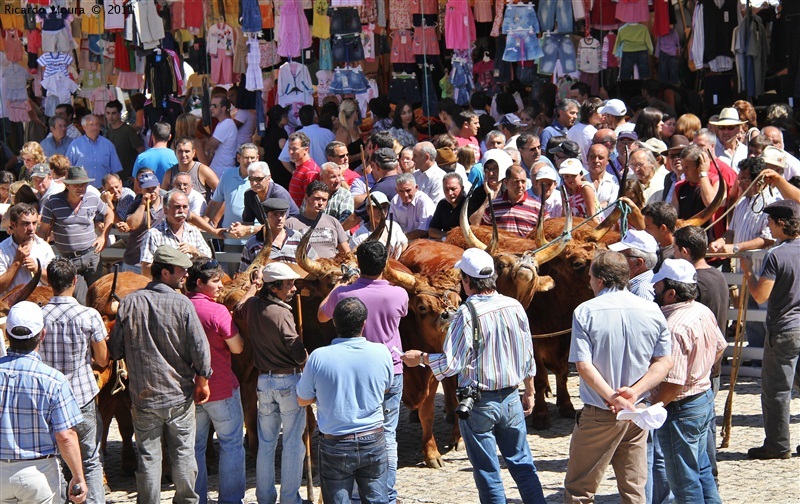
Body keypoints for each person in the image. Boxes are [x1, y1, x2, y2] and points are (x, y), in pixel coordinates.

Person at [401, 248, 546, 503]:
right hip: (512, 397)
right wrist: (530, 391)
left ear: (466, 282)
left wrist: (421, 358)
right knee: (523, 464)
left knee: (488, 471)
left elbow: (451, 365)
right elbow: (527, 354)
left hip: (479, 401)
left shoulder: (466, 314)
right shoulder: (514, 306)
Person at [563, 250, 673, 502]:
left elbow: (584, 365)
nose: (589, 282)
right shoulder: (653, 310)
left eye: (590, 277)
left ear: (599, 280)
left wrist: (614, 397)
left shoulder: (585, 311)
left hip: (601, 412)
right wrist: (632, 394)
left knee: (579, 490)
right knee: (634, 490)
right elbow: (664, 362)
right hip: (637, 411)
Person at [109, 245, 212, 503]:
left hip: (143, 397)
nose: (185, 275)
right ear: (165, 273)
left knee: (147, 457)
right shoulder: (183, 304)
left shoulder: (130, 302)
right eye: (181, 271)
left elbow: (116, 350)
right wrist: (203, 381)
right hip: (179, 395)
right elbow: (201, 350)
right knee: (184, 454)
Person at [318, 241, 409, 503]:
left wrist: (339, 286)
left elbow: (322, 316)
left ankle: (355, 494)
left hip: (351, 371)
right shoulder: (399, 294)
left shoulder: (343, 295)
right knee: (387, 434)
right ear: (386, 264)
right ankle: (386, 493)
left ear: (358, 263)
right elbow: (400, 314)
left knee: (352, 428)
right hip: (390, 369)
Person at [298, 297, 393, 503]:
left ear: (334, 322)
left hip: (335, 442)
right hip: (373, 437)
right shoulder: (382, 352)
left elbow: (302, 399)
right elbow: (385, 387)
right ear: (364, 323)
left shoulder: (318, 357)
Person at [650, 258, 726, 504]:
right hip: (702, 399)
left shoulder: (673, 327)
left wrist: (652, 408)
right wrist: (700, 372)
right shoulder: (702, 311)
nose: (653, 289)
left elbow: (673, 383)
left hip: (681, 408)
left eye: (658, 286)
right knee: (702, 471)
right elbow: (719, 347)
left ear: (671, 293)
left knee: (684, 483)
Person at [234, 262, 309, 504]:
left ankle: (265, 498)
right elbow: (294, 346)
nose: (294, 289)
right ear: (274, 288)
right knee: (293, 443)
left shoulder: (253, 305)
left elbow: (238, 307)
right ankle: (290, 499)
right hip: (287, 380)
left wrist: (254, 288)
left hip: (264, 383)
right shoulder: (282, 313)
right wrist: (308, 366)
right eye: (289, 285)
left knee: (266, 443)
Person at [0, 301, 88, 503]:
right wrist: (78, 476)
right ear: (42, 335)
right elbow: (65, 436)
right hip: (37, 472)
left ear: (7, 335)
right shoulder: (54, 380)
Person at [39, 258, 109, 502]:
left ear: (49, 282)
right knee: (90, 460)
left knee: (55, 459)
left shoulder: (39, 316)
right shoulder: (88, 315)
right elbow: (102, 359)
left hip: (49, 400)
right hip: (82, 396)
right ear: (75, 281)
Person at [742, 200, 800, 459]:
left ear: (781, 223)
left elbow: (761, 295)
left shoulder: (776, 255)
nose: (767, 225)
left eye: (770, 221)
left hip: (785, 328)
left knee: (776, 389)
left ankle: (777, 444)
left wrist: (748, 274)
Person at [186, 258, 246, 504]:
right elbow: (238, 348)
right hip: (221, 387)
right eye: (215, 281)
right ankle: (230, 500)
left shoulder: (182, 306)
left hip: (189, 392)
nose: (221, 285)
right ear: (200, 283)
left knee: (194, 448)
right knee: (231, 444)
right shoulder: (217, 311)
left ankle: (198, 498)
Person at [38, 166, 113, 302]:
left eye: (84, 184)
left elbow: (109, 213)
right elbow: (43, 231)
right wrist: (41, 253)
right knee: (79, 300)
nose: (81, 188)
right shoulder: (52, 202)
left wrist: (103, 237)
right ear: (66, 185)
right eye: (76, 185)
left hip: (92, 255)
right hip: (68, 260)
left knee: (98, 297)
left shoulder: (92, 198)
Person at [141, 190, 212, 277]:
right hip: (166, 287)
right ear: (166, 210)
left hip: (191, 286)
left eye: (185, 207)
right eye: (177, 207)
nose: (181, 211)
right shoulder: (154, 234)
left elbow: (208, 261)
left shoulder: (194, 232)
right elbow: (146, 268)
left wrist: (195, 252)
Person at [227, 161, 299, 241]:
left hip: (292, 236)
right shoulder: (249, 194)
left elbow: (277, 224)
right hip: (271, 236)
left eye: (258, 179)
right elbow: (248, 222)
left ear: (268, 178)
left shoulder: (279, 194)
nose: (254, 183)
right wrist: (238, 227)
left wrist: (248, 229)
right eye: (251, 179)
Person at [238, 198, 318, 271]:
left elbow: (315, 261)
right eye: (275, 214)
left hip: (294, 285)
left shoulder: (297, 237)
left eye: (282, 214)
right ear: (265, 217)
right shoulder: (253, 243)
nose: (279, 218)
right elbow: (243, 273)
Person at [206, 143, 260, 249]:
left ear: (257, 158)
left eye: (252, 158)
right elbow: (215, 203)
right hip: (231, 238)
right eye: (246, 157)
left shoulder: (263, 178)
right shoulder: (227, 175)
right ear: (238, 158)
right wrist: (205, 223)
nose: (249, 161)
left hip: (255, 240)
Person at [0, 203, 54, 296]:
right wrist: (17, 262)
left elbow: (55, 282)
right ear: (13, 224)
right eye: (26, 223)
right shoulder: (3, 249)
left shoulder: (44, 247)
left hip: (38, 304)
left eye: (34, 223)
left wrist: (38, 270)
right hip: (10, 306)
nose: (31, 228)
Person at [286, 181, 350, 258]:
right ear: (306, 198)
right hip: (303, 268)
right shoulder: (291, 224)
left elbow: (346, 253)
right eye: (317, 199)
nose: (320, 203)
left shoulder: (333, 222)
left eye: (324, 200)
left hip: (330, 267)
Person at [119, 170, 166, 274]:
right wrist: (143, 204)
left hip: (157, 262)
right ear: (141, 189)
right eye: (147, 189)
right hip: (135, 261)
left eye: (154, 188)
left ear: (159, 186)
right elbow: (132, 225)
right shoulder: (135, 205)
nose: (151, 192)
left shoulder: (167, 203)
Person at [481, 164, 541, 237]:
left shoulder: (538, 208)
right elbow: (484, 232)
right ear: (506, 182)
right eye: (516, 182)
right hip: (501, 248)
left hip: (528, 248)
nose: (520, 185)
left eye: (523, 181)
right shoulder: (492, 207)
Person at [66, 115, 123, 188]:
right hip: (82, 190)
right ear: (84, 127)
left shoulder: (108, 145)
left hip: (103, 190)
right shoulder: (75, 145)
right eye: (91, 124)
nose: (95, 128)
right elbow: (68, 169)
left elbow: (115, 170)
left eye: (97, 124)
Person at [348, 192, 408, 258]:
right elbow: (354, 258)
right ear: (368, 209)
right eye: (377, 207)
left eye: (384, 207)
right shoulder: (359, 236)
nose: (381, 211)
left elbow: (404, 244)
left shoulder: (394, 226)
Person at [278, 105, 336, 170]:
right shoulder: (328, 133)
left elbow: (283, 159)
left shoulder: (295, 136)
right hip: (325, 174)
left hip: (304, 177)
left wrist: (294, 173)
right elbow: (337, 155)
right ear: (316, 118)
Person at [608, 229, 659, 301]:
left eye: (621, 256)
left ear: (638, 264)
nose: (616, 259)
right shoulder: (633, 286)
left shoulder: (642, 293)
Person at [104, 100, 144, 182]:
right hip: (115, 177)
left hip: (128, 178)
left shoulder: (128, 130)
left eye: (113, 113)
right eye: (108, 113)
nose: (110, 116)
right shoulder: (109, 131)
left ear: (119, 114)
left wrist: (136, 174)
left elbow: (142, 152)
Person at [390, 172, 436, 239]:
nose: (405, 195)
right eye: (401, 191)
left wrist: (403, 238)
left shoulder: (424, 202)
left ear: (416, 187)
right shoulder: (395, 201)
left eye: (408, 190)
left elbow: (424, 231)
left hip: (421, 242)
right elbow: (392, 227)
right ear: (396, 191)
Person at [286, 131, 323, 207]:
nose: (290, 152)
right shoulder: (300, 167)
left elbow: (311, 201)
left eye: (294, 149)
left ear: (306, 150)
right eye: (289, 148)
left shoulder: (310, 172)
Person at [560, 158, 602, 223]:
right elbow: (564, 214)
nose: (570, 179)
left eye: (573, 176)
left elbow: (592, 216)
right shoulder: (564, 191)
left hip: (590, 227)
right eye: (566, 176)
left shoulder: (586, 188)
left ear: (581, 175)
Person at [205, 95, 238, 177]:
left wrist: (202, 142)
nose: (211, 108)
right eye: (210, 105)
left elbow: (209, 146)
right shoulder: (222, 123)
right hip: (220, 169)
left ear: (223, 108)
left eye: (214, 106)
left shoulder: (226, 124)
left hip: (222, 171)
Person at [641, 201, 678, 271]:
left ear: (663, 228)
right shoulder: (653, 248)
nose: (645, 230)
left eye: (648, 227)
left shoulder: (678, 255)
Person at [429, 173, 466, 240]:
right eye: (446, 189)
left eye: (453, 189)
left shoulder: (469, 205)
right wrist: (447, 235)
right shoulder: (442, 204)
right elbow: (432, 230)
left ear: (462, 188)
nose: (449, 193)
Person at [568, 98, 603, 166]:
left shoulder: (572, 129)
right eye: (600, 112)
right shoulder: (595, 133)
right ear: (591, 113)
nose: (603, 115)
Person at [711, 107, 748, 172]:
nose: (725, 131)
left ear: (738, 129)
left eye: (730, 127)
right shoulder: (711, 150)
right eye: (722, 127)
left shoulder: (745, 151)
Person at [586, 144, 619, 216]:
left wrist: (591, 207)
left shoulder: (614, 181)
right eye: (592, 157)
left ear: (608, 161)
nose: (596, 160)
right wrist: (602, 205)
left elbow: (612, 207)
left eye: (600, 158)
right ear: (587, 158)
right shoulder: (581, 181)